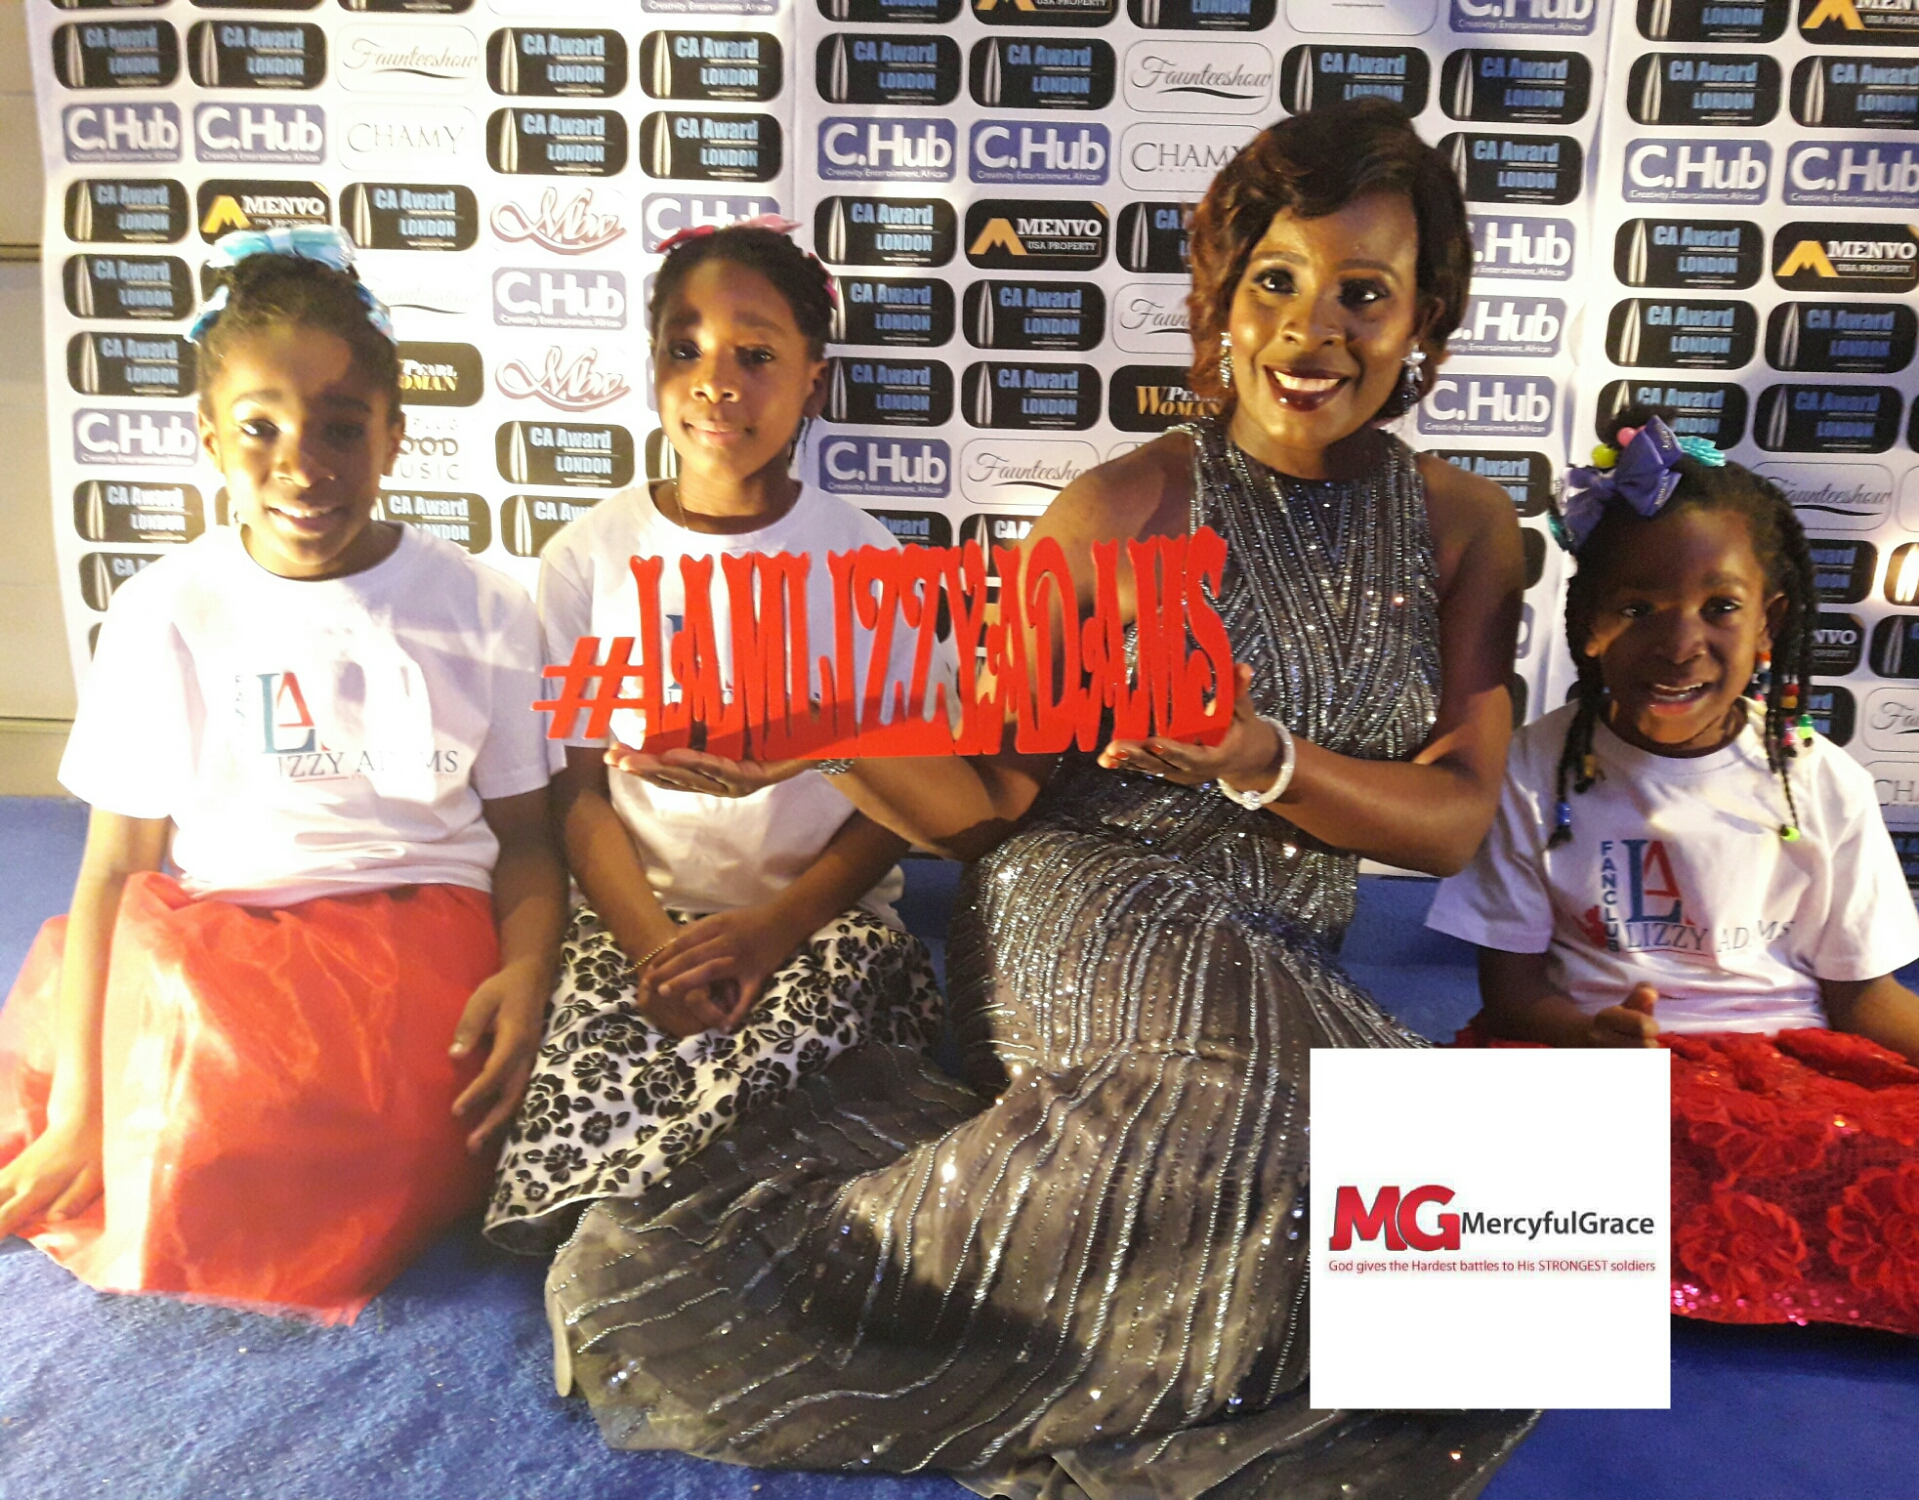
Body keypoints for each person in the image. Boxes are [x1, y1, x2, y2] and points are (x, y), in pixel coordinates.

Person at [546, 102, 1535, 1496]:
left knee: (1522, 1211)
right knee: (1306, 1147)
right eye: (1274, 282)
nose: (1310, 332)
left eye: (1360, 293)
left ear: (1423, 315)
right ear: (1222, 301)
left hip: (1274, 948)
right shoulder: (1119, 510)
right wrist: (819, 731)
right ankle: (838, 1281)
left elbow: (1455, 823)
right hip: (1081, 899)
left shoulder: (1467, 526)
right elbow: (988, 806)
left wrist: (1258, 757)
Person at [0, 228, 565, 1322]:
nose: (303, 467)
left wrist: (528, 972)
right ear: (210, 436)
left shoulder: (482, 607)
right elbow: (117, 866)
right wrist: (79, 1111)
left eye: (342, 427)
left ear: (394, 436)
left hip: (416, 937)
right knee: (117, 1068)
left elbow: (529, 840)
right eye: (261, 428)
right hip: (221, 934)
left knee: (292, 1126)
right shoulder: (163, 609)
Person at [1428, 412, 1919, 1344]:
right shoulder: (1533, 770)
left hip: (1784, 1075)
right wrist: (1585, 1035)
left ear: (1769, 623)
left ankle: (1647, 1267)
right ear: (1589, 623)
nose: (1678, 642)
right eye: (1637, 607)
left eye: (1719, 608)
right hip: (1599, 1065)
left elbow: (1861, 995)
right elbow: (1513, 995)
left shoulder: (1819, 780)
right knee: (1443, 1148)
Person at [483, 221, 941, 1253]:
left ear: (814, 379)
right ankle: (658, 1228)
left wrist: (774, 929)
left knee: (809, 1077)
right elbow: (577, 792)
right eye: (683, 349)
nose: (715, 382)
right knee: (574, 1102)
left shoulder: (864, 561)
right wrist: (653, 946)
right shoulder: (589, 559)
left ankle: (714, 1227)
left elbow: (904, 802)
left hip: (821, 927)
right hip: (634, 926)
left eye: (756, 353)